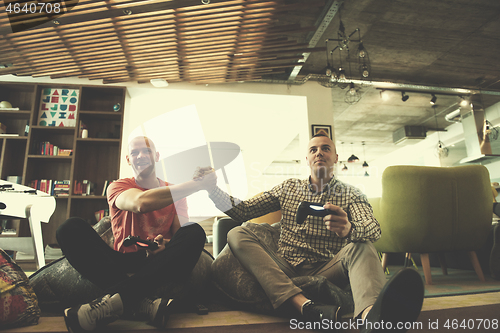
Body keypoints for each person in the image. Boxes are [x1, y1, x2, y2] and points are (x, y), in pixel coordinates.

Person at [198, 134, 424, 332]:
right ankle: (303, 305)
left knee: (363, 244)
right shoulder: (288, 187)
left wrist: (349, 229)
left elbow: (373, 229)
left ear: (335, 158)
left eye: (326, 148)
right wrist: (211, 189)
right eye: (313, 149)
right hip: (283, 265)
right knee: (237, 233)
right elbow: (243, 210)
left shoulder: (351, 194)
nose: (319, 153)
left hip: (326, 267)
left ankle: (371, 320)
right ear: (306, 159)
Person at [57, 136, 216, 332]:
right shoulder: (118, 186)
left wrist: (163, 244)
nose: (141, 155)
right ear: (128, 159)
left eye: (147, 151)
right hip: (121, 261)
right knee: (69, 228)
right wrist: (196, 184)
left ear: (156, 156)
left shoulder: (175, 193)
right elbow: (140, 203)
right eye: (135, 152)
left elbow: (178, 238)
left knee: (194, 231)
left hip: (158, 262)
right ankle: (144, 305)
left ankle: (120, 301)